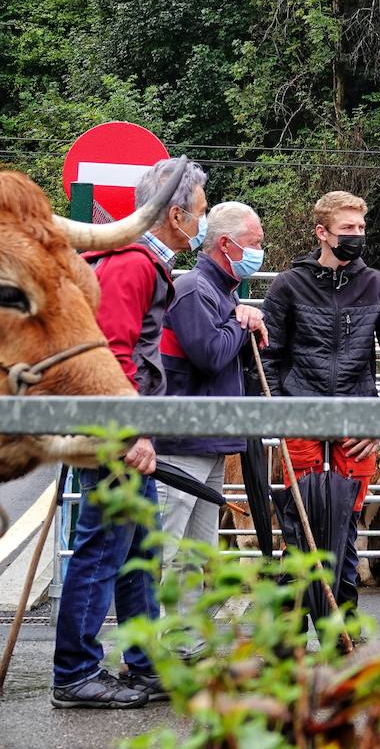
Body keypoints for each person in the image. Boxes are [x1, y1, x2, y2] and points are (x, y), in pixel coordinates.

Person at [52, 156, 207, 710]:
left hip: (116, 429)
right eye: (201, 212)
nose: (203, 223)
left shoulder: (138, 260)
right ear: (176, 213)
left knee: (138, 550)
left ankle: (142, 664)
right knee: (102, 550)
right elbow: (113, 355)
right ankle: (73, 673)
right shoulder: (134, 263)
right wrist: (131, 432)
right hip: (115, 432)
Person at [260, 191, 380, 611]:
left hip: (355, 418)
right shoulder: (288, 285)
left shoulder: (376, 285)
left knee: (346, 524)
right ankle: (290, 633)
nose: (357, 235)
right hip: (301, 414)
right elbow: (268, 355)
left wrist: (379, 421)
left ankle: (343, 625)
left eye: (360, 227)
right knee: (299, 527)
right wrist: (279, 413)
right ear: (322, 233)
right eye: (347, 229)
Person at [155, 201, 267, 649]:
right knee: (167, 547)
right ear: (227, 244)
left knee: (195, 549)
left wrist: (242, 316)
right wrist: (243, 323)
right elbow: (210, 353)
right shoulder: (194, 289)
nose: (261, 251)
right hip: (182, 439)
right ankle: (156, 647)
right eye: (255, 243)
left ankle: (184, 640)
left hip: (209, 439)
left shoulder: (222, 292)